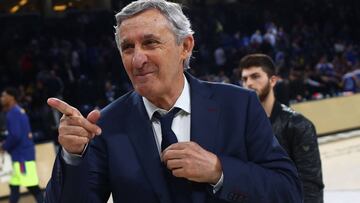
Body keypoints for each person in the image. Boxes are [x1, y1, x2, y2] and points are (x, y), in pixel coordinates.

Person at [45, 0, 302, 202]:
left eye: (150, 43)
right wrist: (72, 156)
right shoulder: (106, 125)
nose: (137, 59)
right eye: (128, 48)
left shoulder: (239, 105)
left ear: (186, 46)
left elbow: (288, 192)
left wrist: (219, 171)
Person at [239, 53, 324, 203]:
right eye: (245, 79)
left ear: (273, 81)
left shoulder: (298, 125)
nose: (249, 84)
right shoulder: (239, 125)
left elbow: (310, 185)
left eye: (255, 76)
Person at [0, 87, 44, 203]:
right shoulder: (19, 111)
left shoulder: (12, 113)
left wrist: (3, 146)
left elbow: (15, 135)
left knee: (33, 187)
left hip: (22, 158)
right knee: (14, 187)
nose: (2, 98)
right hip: (19, 156)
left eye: (4, 95)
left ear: (11, 97)